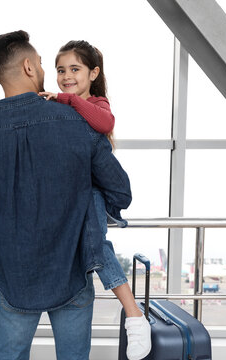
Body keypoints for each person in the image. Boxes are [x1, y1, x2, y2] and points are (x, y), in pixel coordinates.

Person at [0, 30, 131, 360]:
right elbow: (121, 192)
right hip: (72, 268)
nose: (43, 70)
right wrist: (87, 205)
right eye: (40, 63)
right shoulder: (78, 123)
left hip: (13, 274)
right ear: (27, 67)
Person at [39, 40, 152, 360]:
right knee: (91, 245)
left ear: (93, 72)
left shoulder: (96, 102)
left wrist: (67, 99)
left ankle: (134, 316)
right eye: (61, 70)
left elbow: (105, 123)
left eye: (75, 69)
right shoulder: (58, 105)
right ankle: (131, 312)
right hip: (67, 193)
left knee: (96, 244)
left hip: (93, 192)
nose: (66, 76)